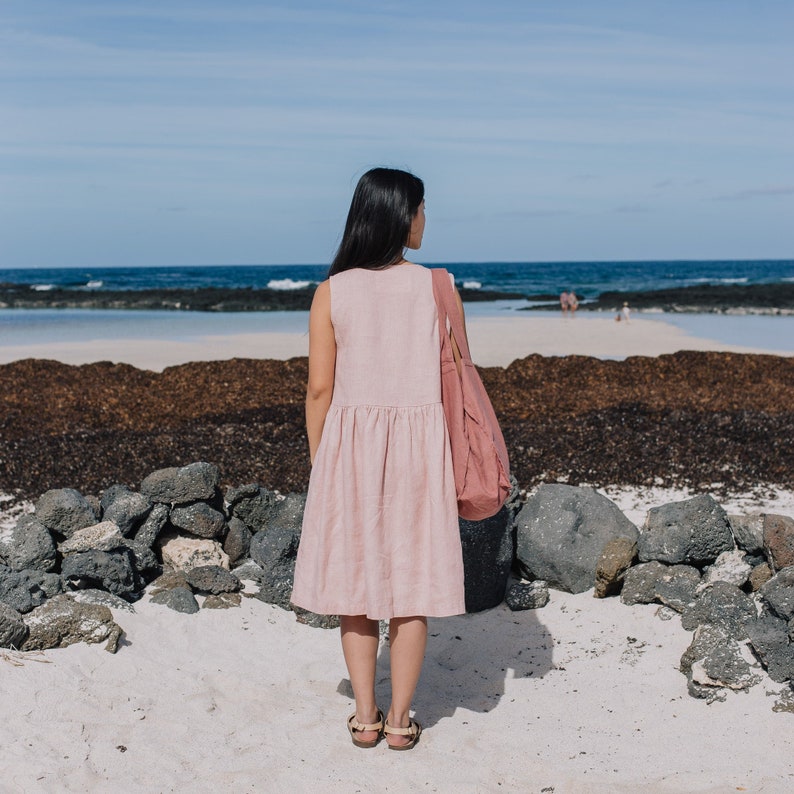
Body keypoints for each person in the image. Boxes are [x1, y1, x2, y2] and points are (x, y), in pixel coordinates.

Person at [291, 167, 466, 751]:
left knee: (356, 582)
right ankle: (399, 721)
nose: (425, 219)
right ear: (399, 214)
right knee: (412, 583)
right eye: (421, 208)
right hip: (421, 446)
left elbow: (319, 390)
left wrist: (323, 461)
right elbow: (456, 378)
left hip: (351, 449)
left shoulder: (332, 291)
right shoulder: (439, 287)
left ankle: (364, 716)